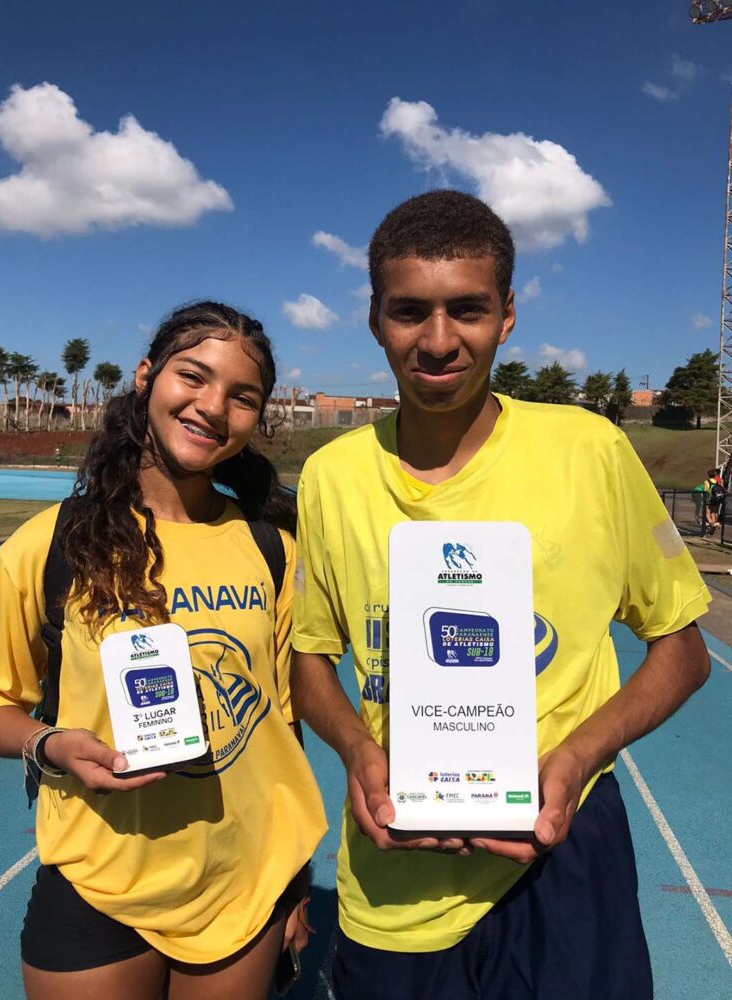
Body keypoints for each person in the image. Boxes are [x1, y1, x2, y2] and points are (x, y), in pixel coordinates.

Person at [291, 191, 711, 999]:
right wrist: (356, 751)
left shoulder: (590, 451)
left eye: (467, 309)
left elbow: (683, 650)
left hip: (563, 853)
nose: (438, 340)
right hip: (397, 879)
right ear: (375, 319)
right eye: (409, 311)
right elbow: (309, 658)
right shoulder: (331, 477)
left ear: (507, 314)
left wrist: (576, 758)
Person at [0, 301, 326, 1000]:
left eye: (242, 397)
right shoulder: (51, 545)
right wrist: (52, 746)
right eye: (193, 376)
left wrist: (293, 881)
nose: (213, 407)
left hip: (243, 884)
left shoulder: (272, 550)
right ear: (146, 377)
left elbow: (282, 729)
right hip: (98, 880)